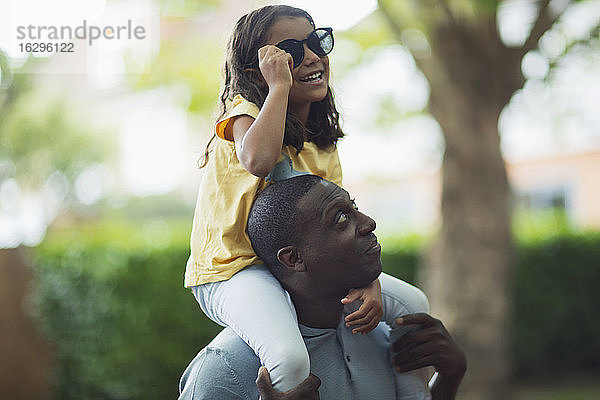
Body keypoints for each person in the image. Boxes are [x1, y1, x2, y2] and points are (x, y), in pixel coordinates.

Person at [184, 4, 428, 392]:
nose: (313, 56)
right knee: (288, 357)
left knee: (415, 306)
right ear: (257, 72)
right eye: (292, 52)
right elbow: (259, 161)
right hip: (234, 271)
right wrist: (278, 87)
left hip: (295, 266)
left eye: (317, 42)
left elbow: (338, 216)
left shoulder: (321, 139)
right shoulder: (243, 115)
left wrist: (366, 279)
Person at [179, 175, 466, 400]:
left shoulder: (382, 333)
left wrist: (450, 375)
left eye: (354, 208)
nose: (369, 223)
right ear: (294, 258)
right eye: (340, 218)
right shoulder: (225, 369)